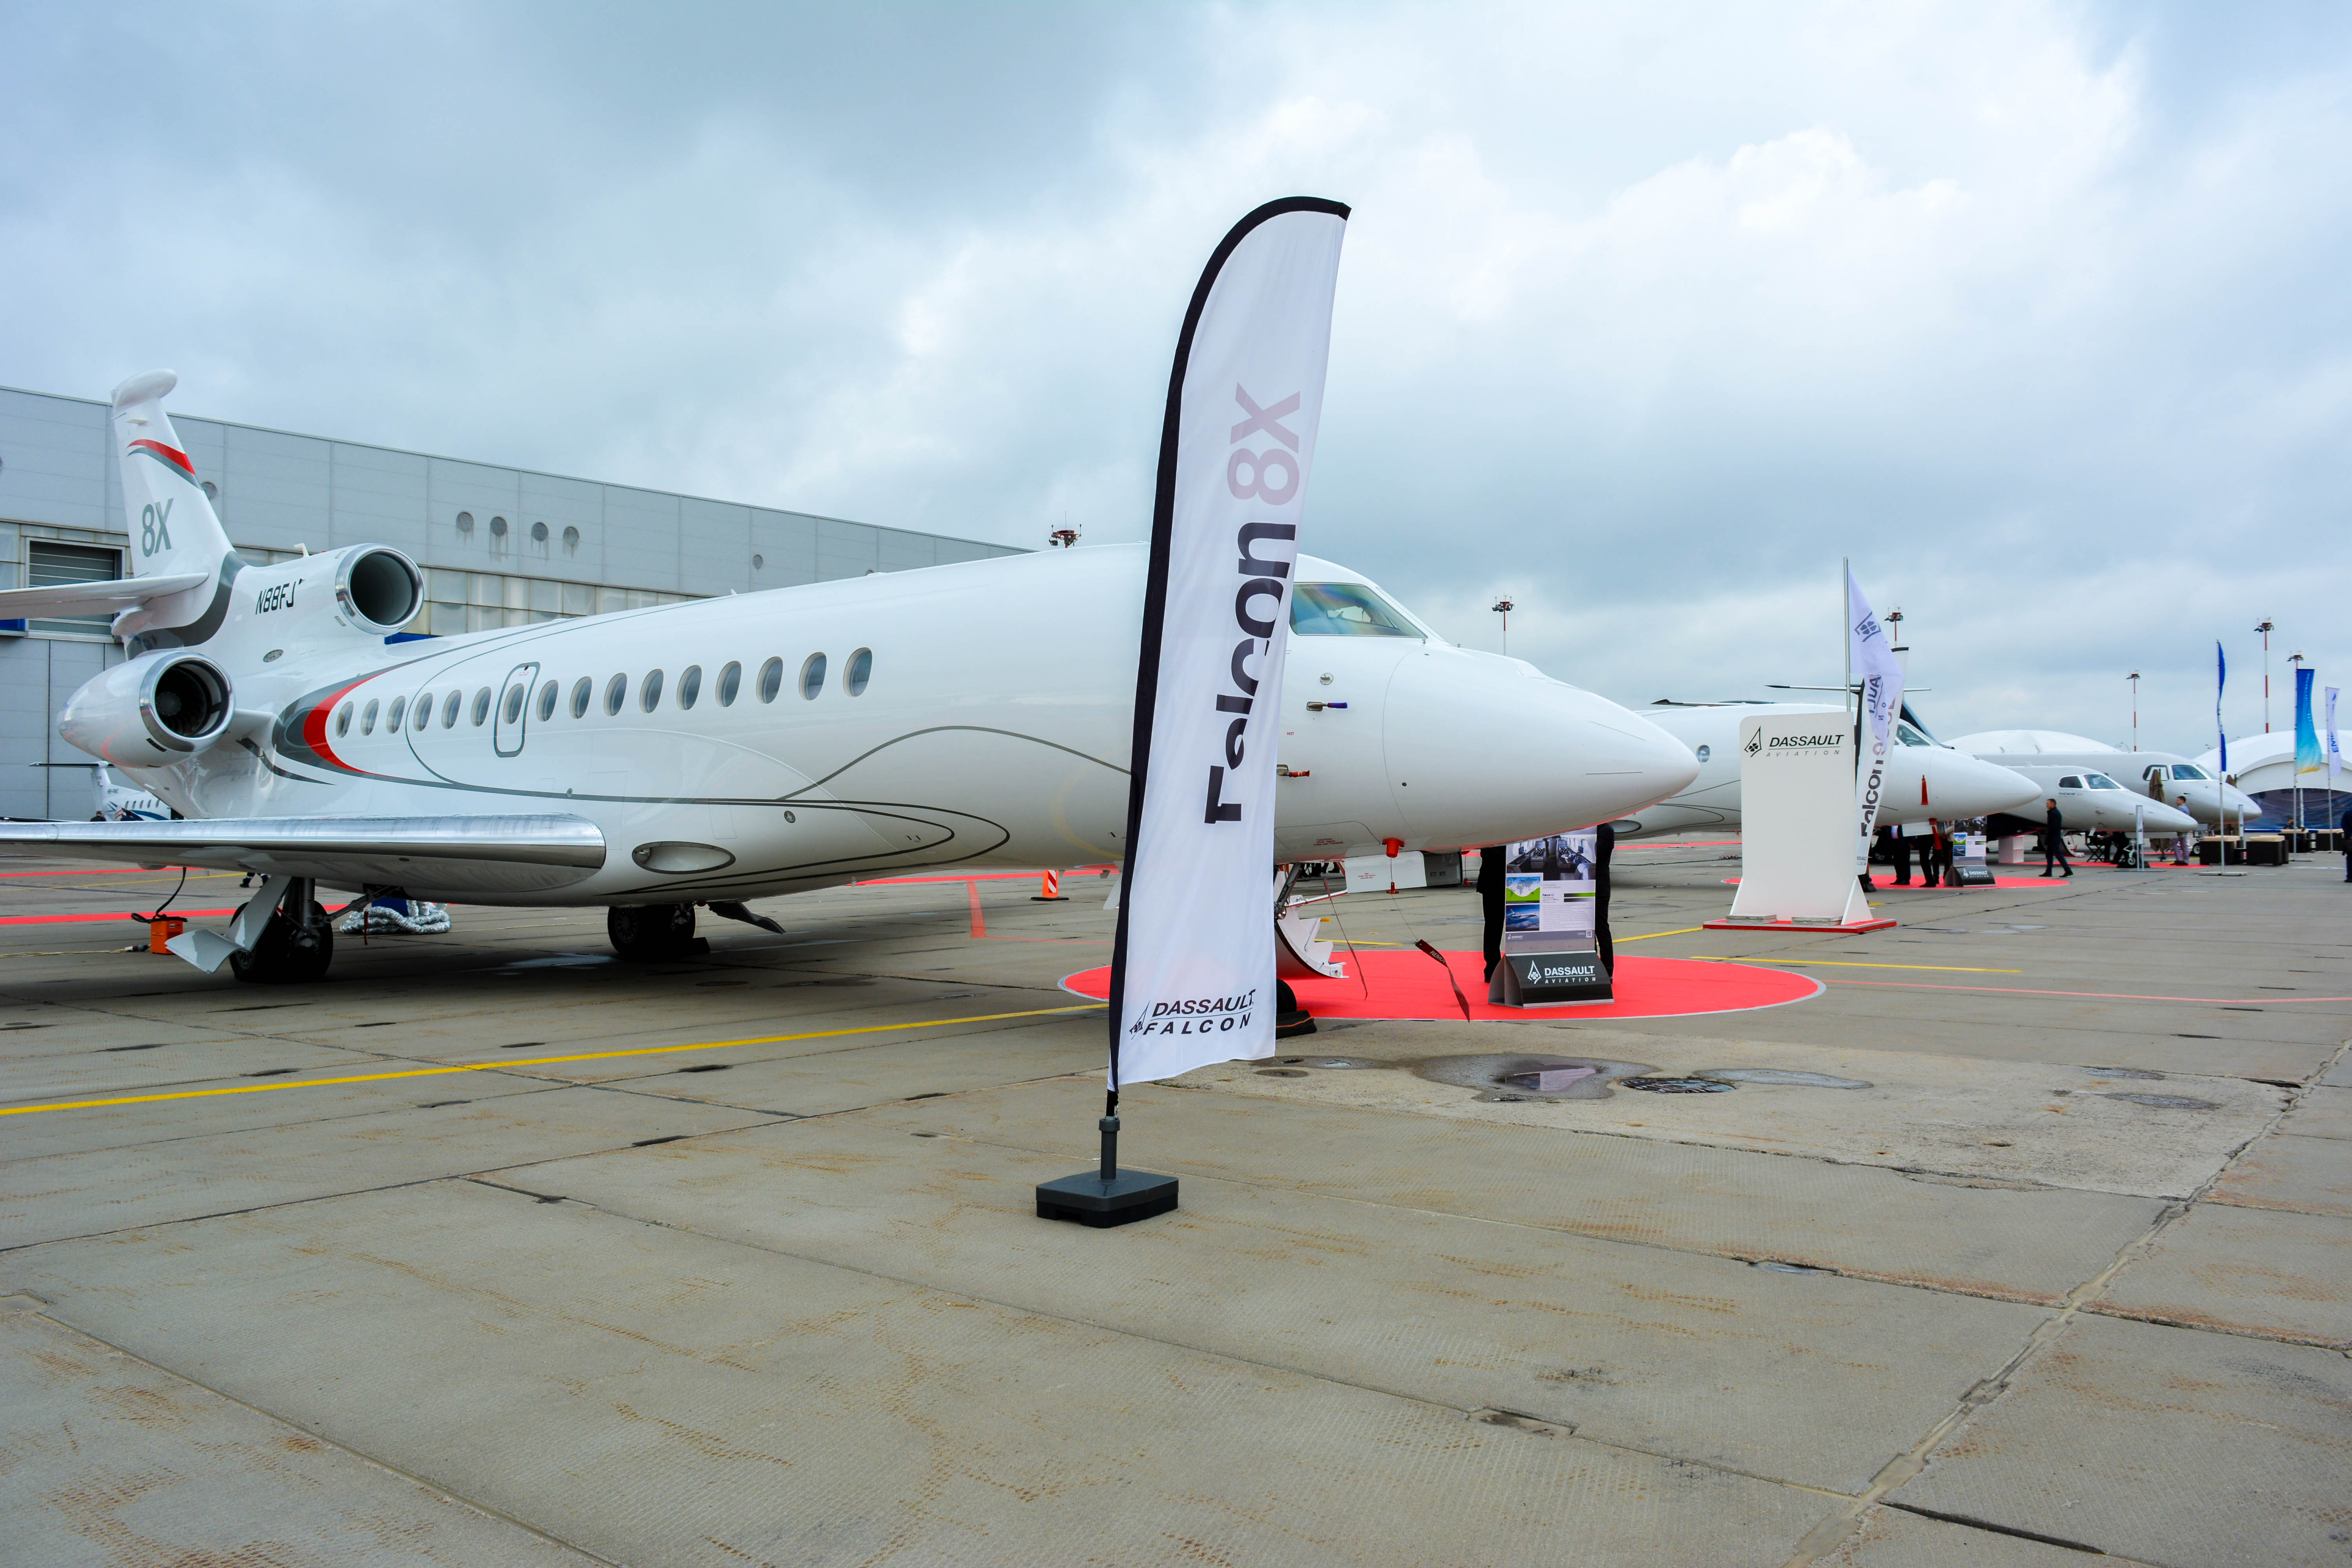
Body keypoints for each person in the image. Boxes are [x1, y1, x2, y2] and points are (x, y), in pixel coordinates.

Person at [1477, 844, 1506, 980]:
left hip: (1515, 880)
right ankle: (1493, 968)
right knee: (1493, 926)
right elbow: (1488, 853)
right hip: (1493, 882)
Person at [1592, 824, 1616, 975]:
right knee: (1587, 930)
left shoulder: (1606, 831)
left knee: (1601, 929)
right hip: (1584, 886)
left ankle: (1608, 970)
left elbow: (1594, 854)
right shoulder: (1588, 829)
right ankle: (1592, 964)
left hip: (1599, 887)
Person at [2040, 799, 2073, 878]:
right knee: (2049, 855)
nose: (2047, 805)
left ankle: (2068, 870)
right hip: (2052, 837)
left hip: (2053, 838)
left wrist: (2048, 833)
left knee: (2058, 854)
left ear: (2053, 804)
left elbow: (2054, 827)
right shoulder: (2053, 813)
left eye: (2048, 804)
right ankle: (2049, 871)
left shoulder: (2055, 813)